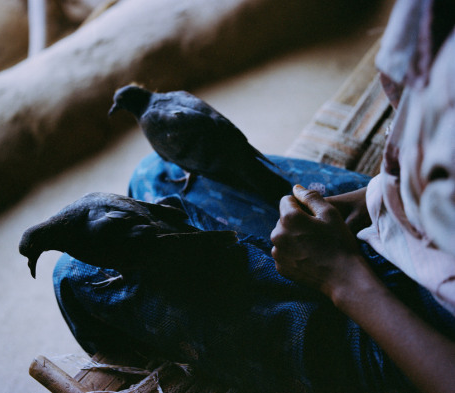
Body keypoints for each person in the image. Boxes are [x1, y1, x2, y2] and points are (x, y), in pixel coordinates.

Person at [53, 1, 455, 391]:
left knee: (78, 271)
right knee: (161, 174)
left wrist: (344, 279)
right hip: (409, 234)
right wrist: (374, 197)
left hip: (415, 342)